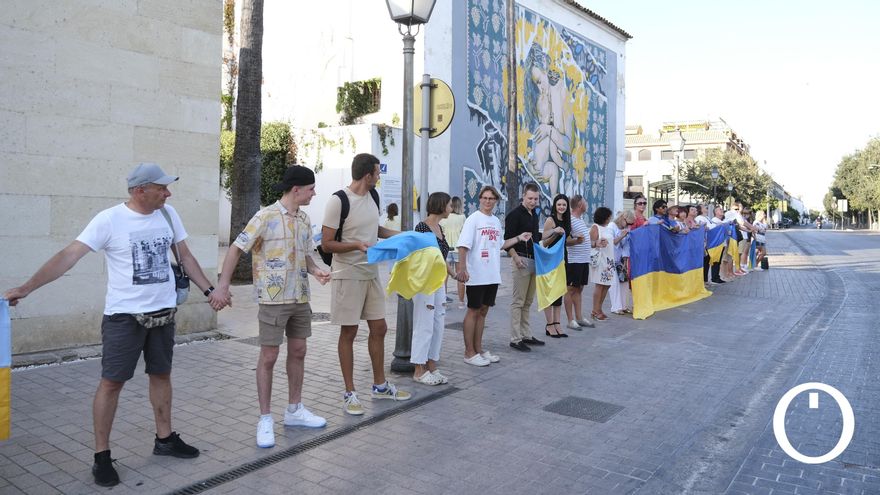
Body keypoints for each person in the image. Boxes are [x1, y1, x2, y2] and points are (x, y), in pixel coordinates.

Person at [3, 163, 214, 487]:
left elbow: (185, 257)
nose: (168, 193)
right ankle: (101, 456)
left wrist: (210, 291)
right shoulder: (109, 220)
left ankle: (165, 439)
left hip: (163, 316)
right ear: (140, 190)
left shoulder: (169, 215)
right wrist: (26, 288)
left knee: (161, 375)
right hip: (123, 319)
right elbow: (68, 256)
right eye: (162, 188)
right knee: (112, 383)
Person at [212, 166, 331, 449]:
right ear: (296, 190)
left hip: (300, 298)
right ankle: (265, 418)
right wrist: (223, 285)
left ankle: (294, 411)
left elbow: (307, 257)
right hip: (273, 299)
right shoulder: (265, 216)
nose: (314, 193)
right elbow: (236, 249)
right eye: (311, 189)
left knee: (299, 351)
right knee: (268, 356)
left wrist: (317, 272)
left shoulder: (304, 219)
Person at [321, 153, 409, 416]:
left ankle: (380, 386)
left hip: (371, 273)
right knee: (349, 333)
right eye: (376, 173)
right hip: (347, 273)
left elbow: (375, 229)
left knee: (379, 327)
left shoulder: (373, 196)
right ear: (366, 175)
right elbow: (327, 244)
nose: (379, 176)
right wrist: (356, 245)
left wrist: (403, 234)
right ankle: (349, 392)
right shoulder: (338, 201)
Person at [457, 186, 533, 365]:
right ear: (480, 199)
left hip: (491, 274)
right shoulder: (473, 219)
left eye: (491, 198)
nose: (487, 201)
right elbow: (463, 245)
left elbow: (501, 244)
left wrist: (519, 238)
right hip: (476, 273)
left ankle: (479, 349)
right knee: (473, 311)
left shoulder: (495, 221)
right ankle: (469, 353)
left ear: (496, 201)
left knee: (483, 312)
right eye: (484, 198)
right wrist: (462, 268)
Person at [411, 192, 460, 385]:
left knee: (438, 322)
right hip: (425, 281)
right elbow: (422, 256)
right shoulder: (423, 227)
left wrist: (454, 274)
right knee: (424, 323)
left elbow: (441, 257)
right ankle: (418, 369)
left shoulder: (439, 227)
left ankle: (432, 364)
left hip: (438, 281)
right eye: (449, 205)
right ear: (441, 206)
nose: (451, 208)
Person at [504, 182, 546, 351]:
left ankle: (526, 334)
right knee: (518, 301)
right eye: (530, 198)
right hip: (520, 259)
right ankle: (515, 338)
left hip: (534, 260)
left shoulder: (534, 214)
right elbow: (507, 240)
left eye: (536, 199)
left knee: (528, 301)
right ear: (523, 196)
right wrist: (515, 257)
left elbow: (537, 238)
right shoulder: (514, 215)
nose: (533, 201)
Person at [540, 194, 577, 337]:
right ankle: (549, 324)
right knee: (550, 292)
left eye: (564, 205)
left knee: (560, 292)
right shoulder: (551, 220)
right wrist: (555, 232)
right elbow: (544, 241)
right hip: (552, 258)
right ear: (555, 205)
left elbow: (566, 241)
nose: (561, 207)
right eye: (559, 204)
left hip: (563, 258)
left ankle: (557, 323)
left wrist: (577, 240)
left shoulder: (567, 220)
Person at [563, 195, 595, 330]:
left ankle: (579, 317)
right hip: (574, 260)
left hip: (583, 260)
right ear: (580, 204)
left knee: (579, 289)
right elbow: (565, 241)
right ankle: (570, 320)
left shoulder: (580, 220)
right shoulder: (569, 220)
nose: (587, 205)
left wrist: (596, 243)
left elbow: (585, 241)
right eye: (585, 202)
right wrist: (576, 241)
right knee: (570, 289)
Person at [589, 207, 615, 321]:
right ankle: (595, 310)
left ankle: (599, 308)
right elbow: (590, 243)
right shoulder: (595, 227)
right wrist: (597, 243)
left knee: (607, 284)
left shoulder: (608, 228)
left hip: (609, 260)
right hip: (600, 259)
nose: (610, 218)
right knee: (599, 284)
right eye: (609, 216)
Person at [440, 196, 466, 308]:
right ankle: (461, 302)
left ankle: (443, 300)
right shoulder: (462, 217)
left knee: (444, 277)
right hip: (458, 249)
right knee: (460, 276)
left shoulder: (444, 218)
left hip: (446, 249)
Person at [608, 210, 634, 315]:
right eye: (628, 222)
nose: (628, 225)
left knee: (624, 282)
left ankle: (623, 306)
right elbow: (612, 242)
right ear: (623, 218)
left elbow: (625, 246)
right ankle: (616, 307)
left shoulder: (624, 229)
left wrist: (625, 259)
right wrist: (622, 236)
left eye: (630, 224)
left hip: (620, 259)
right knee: (614, 284)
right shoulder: (611, 226)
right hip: (610, 259)